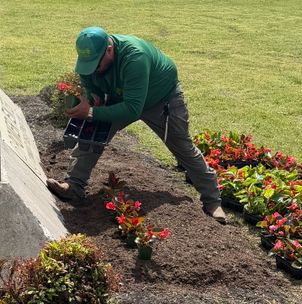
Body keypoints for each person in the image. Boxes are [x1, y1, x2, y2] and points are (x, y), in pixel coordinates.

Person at [47, 27, 227, 224]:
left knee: (182, 146)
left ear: (108, 49)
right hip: (122, 96)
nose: (93, 69)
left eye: (96, 64)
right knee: (92, 133)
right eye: (87, 65)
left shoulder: (135, 58)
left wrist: (91, 112)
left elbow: (133, 108)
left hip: (161, 98)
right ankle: (74, 185)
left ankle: (212, 201)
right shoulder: (91, 60)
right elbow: (89, 82)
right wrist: (92, 99)